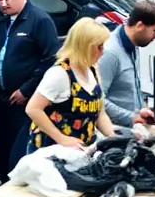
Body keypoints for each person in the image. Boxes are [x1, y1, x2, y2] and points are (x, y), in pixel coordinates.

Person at [0, 0, 60, 181]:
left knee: (19, 154)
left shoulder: (39, 21)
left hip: (26, 101)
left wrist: (26, 90)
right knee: (2, 150)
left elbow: (50, 60)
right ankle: (4, 187)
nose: (3, 4)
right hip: (2, 98)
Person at [25, 18, 115, 151]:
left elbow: (99, 114)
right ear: (85, 46)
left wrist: (113, 137)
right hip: (51, 153)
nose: (102, 52)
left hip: (81, 151)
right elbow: (33, 109)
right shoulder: (59, 74)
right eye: (99, 47)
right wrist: (62, 139)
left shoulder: (93, 70)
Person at [98, 0, 155, 127]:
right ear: (140, 26)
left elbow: (130, 89)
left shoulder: (133, 44)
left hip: (133, 128)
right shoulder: (110, 53)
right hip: (116, 133)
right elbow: (98, 100)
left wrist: (142, 110)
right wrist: (132, 117)